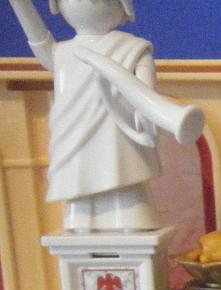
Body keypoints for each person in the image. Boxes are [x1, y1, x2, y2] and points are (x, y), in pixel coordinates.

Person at [8, 0, 176, 231]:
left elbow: (145, 93)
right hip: (75, 135)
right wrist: (21, 5)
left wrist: (147, 117)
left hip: (120, 133)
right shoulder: (64, 52)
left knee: (124, 176)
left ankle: (131, 215)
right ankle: (81, 217)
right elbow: (39, 39)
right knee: (81, 183)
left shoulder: (134, 48)